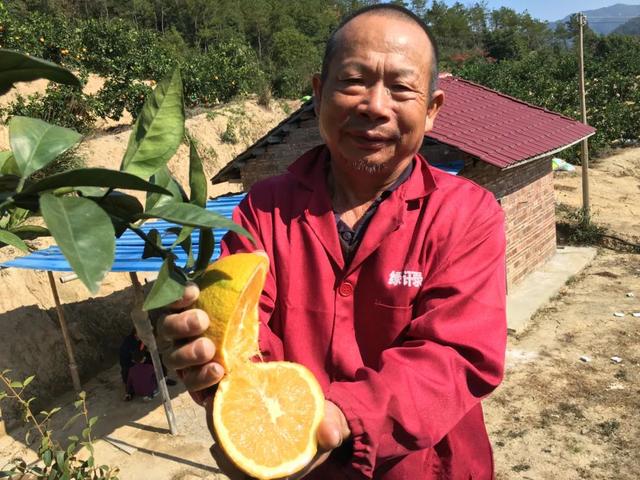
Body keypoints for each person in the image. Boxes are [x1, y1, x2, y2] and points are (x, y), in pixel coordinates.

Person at [159, 4, 506, 479]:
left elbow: (455, 356)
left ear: (431, 111)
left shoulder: (467, 214)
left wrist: (343, 416)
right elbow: (242, 325)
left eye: (401, 88)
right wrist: (213, 370)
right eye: (353, 81)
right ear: (319, 94)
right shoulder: (264, 207)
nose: (375, 106)